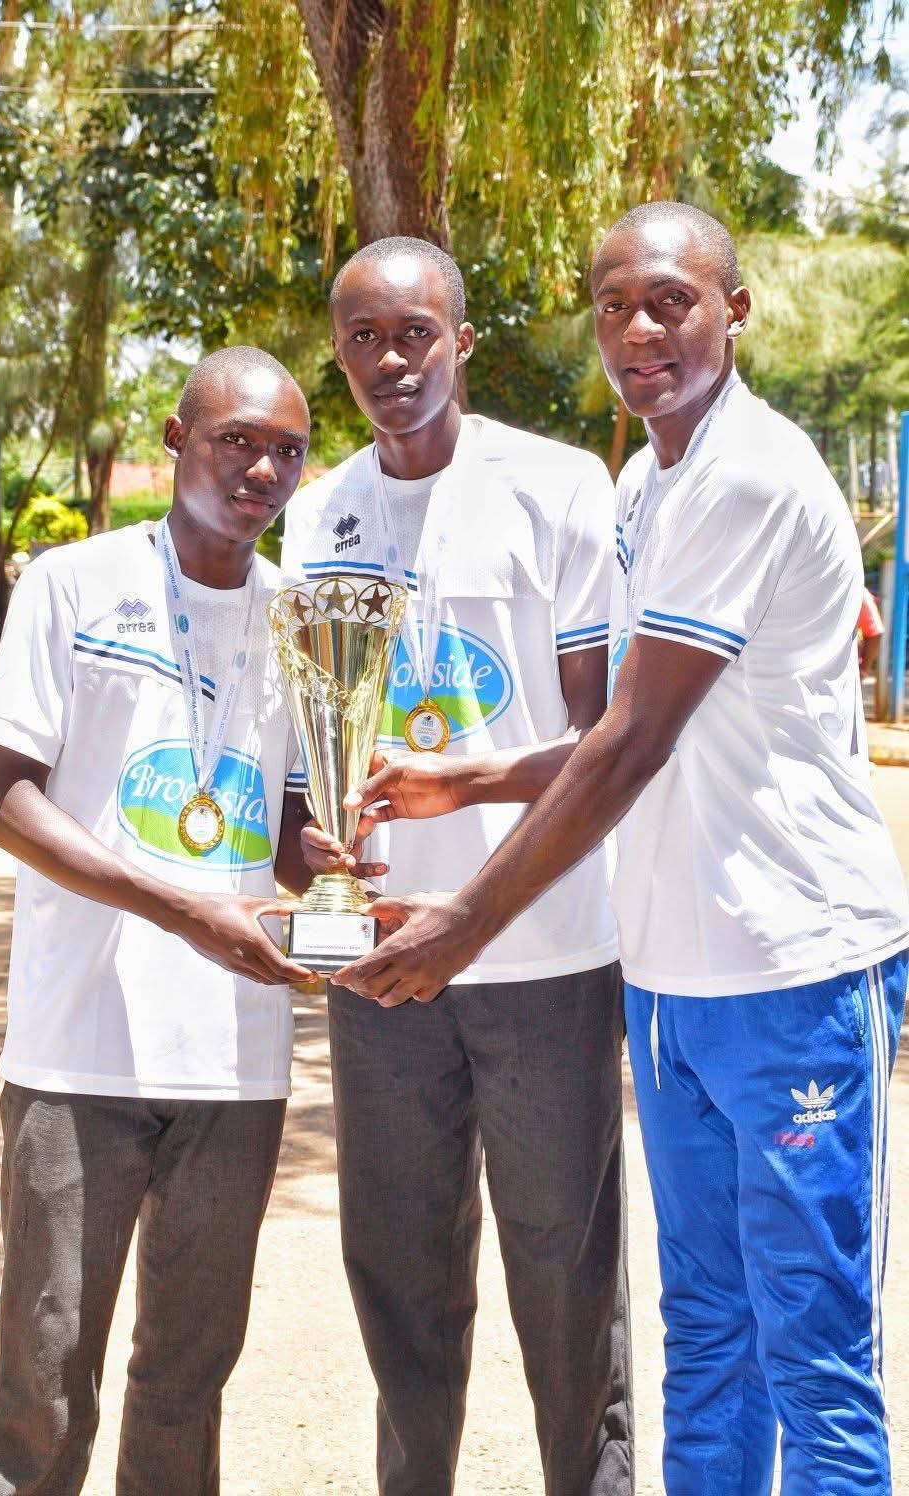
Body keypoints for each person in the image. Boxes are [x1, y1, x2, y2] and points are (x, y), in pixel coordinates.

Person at [336, 204, 909, 1495]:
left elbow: (633, 740)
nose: (638, 332)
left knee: (815, 1351)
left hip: (796, 972)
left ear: (735, 311)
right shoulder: (648, 482)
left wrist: (463, 922)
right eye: (613, 306)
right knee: (706, 1333)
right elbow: (635, 732)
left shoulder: (751, 470)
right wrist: (467, 778)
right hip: (672, 980)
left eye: (671, 303)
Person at [282, 236, 632, 1496]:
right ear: (339, 353)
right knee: (401, 1274)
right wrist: (310, 850)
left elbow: (605, 740)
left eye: (415, 332)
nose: (391, 360)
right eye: (364, 338)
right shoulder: (321, 513)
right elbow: (303, 749)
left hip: (541, 950)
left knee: (563, 1277)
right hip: (381, 966)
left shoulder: (557, 489)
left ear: (462, 340)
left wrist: (464, 784)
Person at [0, 346, 317, 1495]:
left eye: (285, 451)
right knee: (46, 1366)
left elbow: (287, 840)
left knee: (188, 1371)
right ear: (176, 440)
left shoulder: (302, 623)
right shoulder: (70, 585)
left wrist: (321, 863)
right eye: (236, 440)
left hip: (234, 1061)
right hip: (80, 1050)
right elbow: (7, 801)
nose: (261, 467)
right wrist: (176, 906)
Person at [858, 585, 884, 680]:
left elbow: (875, 633)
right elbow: (875, 632)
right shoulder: (859, 591)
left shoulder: (858, 592)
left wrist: (863, 671)